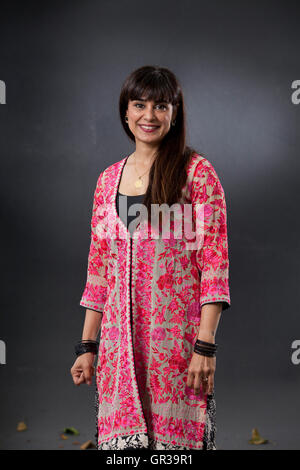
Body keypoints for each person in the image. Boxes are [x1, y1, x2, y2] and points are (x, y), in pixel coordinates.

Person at [70, 65, 231, 450]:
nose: (149, 116)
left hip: (175, 349)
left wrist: (205, 346)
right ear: (125, 111)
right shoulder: (107, 181)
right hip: (118, 351)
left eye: (161, 106)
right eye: (139, 104)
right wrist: (87, 346)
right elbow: (99, 271)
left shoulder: (197, 174)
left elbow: (214, 265)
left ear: (175, 113)